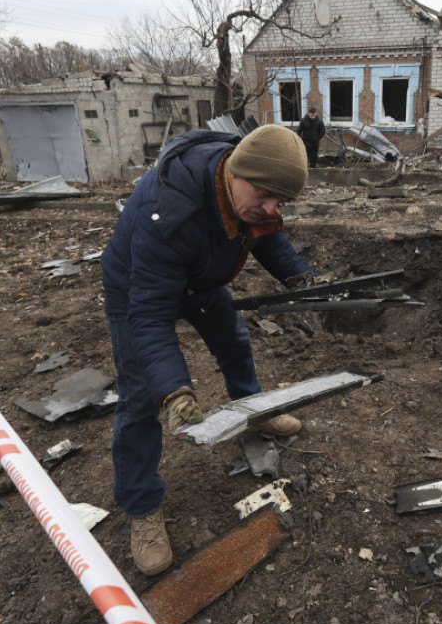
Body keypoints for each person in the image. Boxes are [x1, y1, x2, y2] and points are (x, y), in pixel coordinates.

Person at [100, 124, 319, 576]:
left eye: (282, 201)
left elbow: (262, 227)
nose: (272, 207)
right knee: (142, 395)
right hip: (137, 290)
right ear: (234, 173)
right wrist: (176, 390)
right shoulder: (170, 212)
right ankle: (141, 508)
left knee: (235, 344)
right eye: (264, 193)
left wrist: (296, 274)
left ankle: (254, 416)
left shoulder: (245, 182)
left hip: (199, 277)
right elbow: (150, 316)